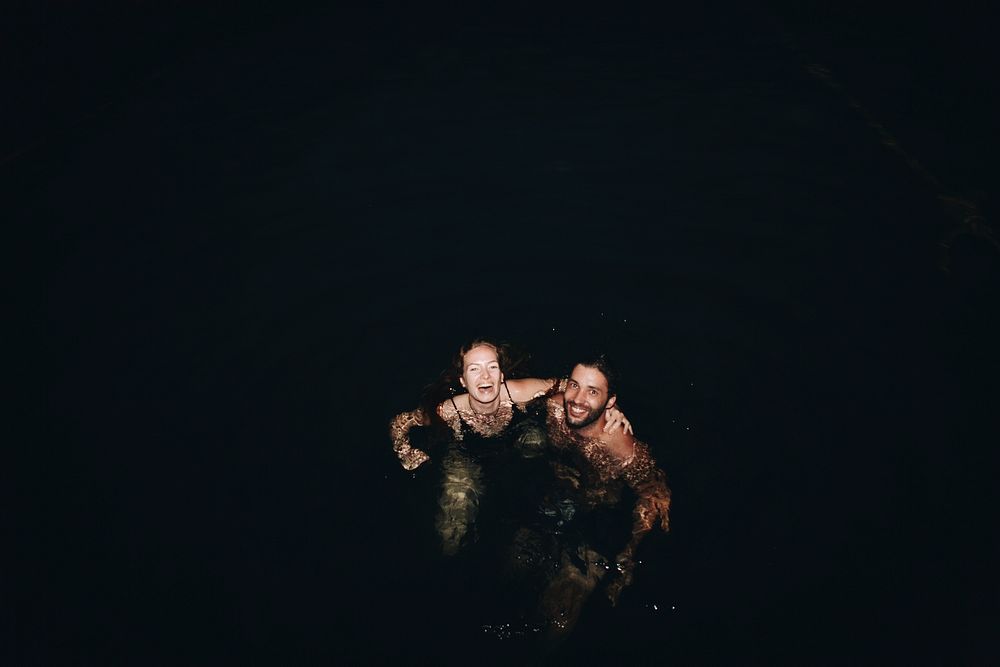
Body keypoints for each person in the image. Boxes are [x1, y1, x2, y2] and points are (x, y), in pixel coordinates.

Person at [389, 339, 631, 555]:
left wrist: (613, 409)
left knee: (535, 442)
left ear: (501, 375)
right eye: (475, 369)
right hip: (468, 456)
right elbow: (400, 422)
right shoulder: (450, 410)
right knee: (452, 534)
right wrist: (405, 452)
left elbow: (573, 388)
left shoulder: (519, 392)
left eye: (492, 367)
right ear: (463, 381)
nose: (485, 377)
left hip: (517, 447)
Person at [522, 353, 671, 643]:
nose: (577, 399)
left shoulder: (622, 448)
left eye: (593, 392)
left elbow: (655, 493)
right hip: (557, 492)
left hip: (599, 514)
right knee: (516, 562)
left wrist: (629, 552)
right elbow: (507, 393)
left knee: (562, 609)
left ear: (610, 402)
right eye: (574, 385)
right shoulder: (555, 407)